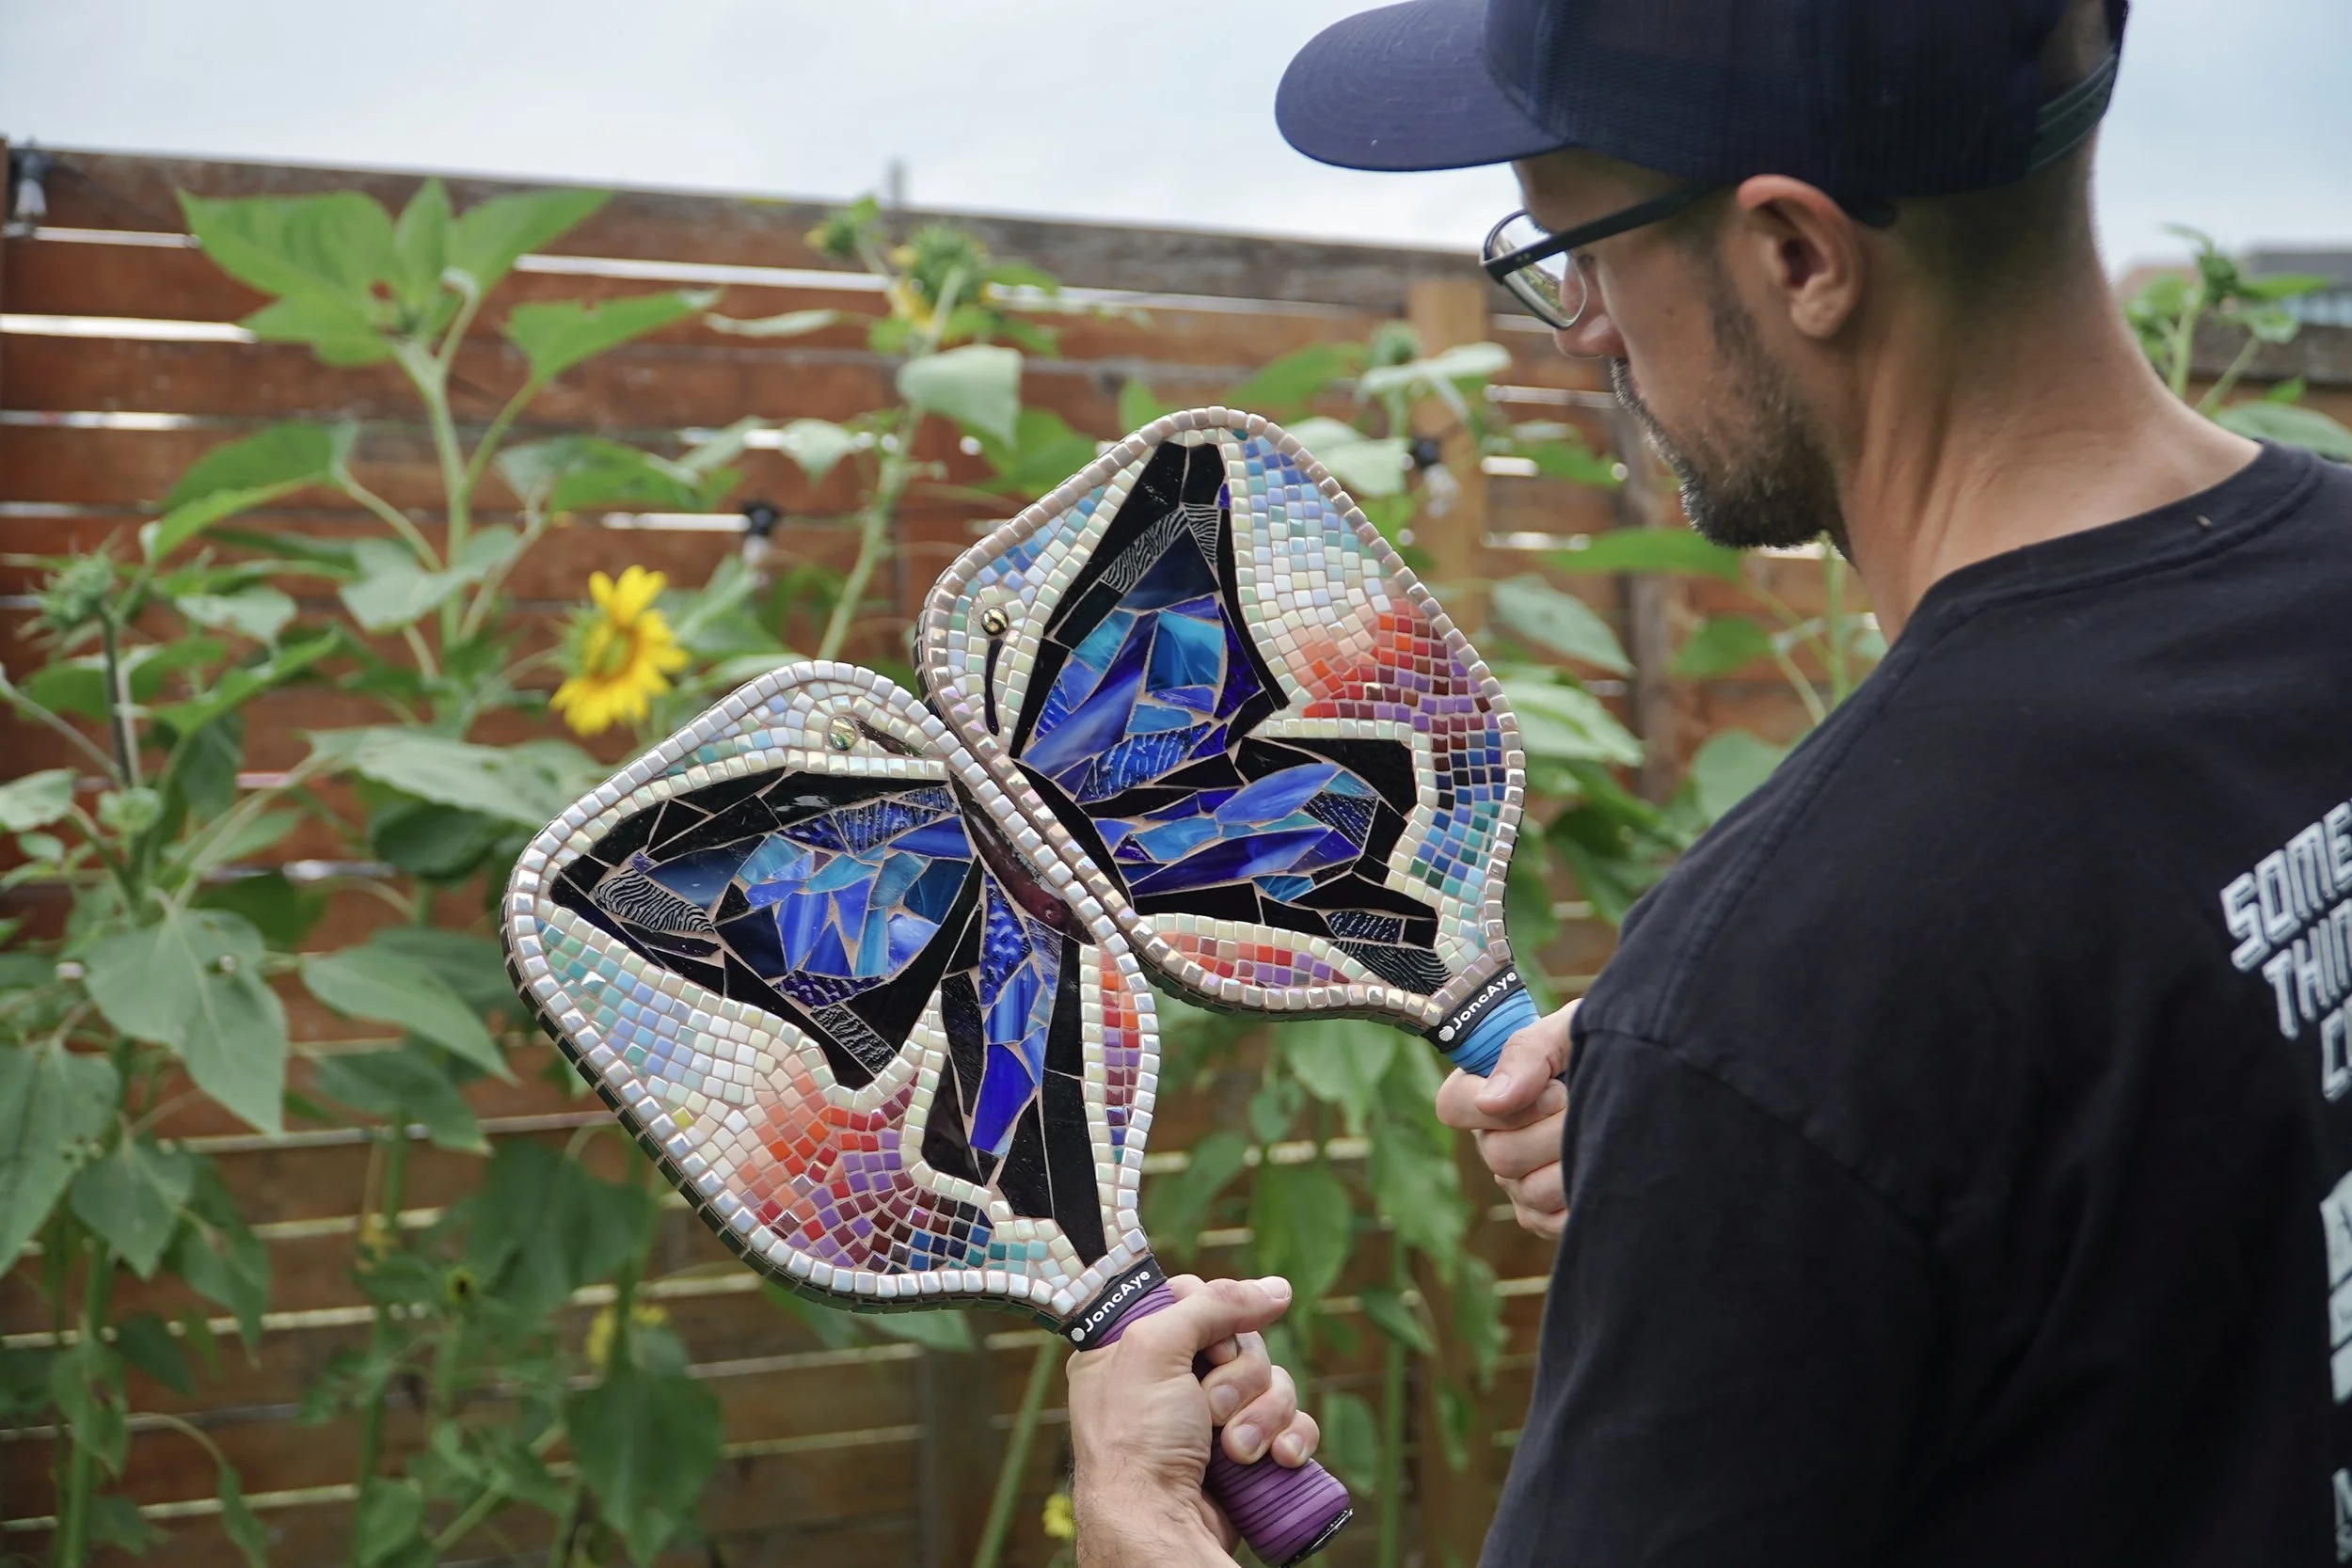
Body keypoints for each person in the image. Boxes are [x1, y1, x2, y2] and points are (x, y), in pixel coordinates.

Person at [1067, 0, 2352, 1561]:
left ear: (1800, 256)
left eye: (1582, 247)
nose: (1587, 325)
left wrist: (1147, 1527)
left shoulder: (1787, 994)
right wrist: (1792, 1170)